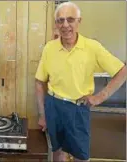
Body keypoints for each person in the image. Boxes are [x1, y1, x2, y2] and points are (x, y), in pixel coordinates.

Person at [35, 2, 127, 162]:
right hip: (53, 106)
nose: (65, 25)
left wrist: (99, 97)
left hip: (78, 109)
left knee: (81, 156)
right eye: (60, 20)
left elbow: (122, 71)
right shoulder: (49, 48)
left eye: (70, 20)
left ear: (79, 21)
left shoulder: (92, 47)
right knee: (57, 152)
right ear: (56, 23)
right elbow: (39, 82)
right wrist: (42, 115)